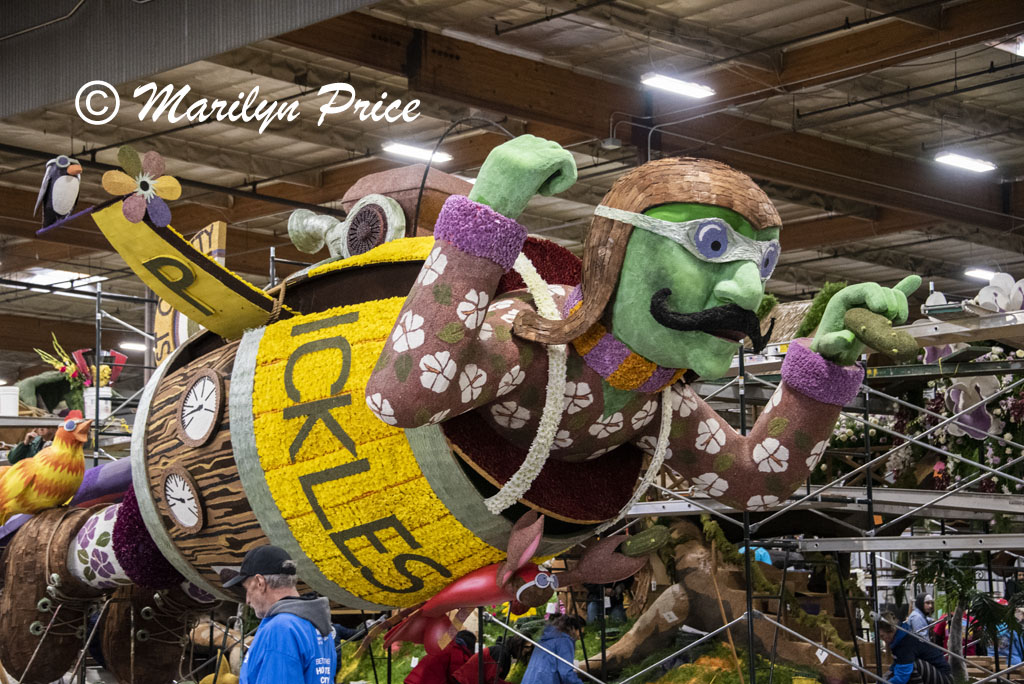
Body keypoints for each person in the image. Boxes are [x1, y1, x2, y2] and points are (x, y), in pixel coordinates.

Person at [223, 545, 336, 684]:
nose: (247, 600)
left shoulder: (281, 628)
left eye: (247, 589)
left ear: (260, 582)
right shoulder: (318, 624)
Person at [879, 612, 952, 684]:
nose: (882, 639)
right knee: (903, 667)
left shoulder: (905, 643)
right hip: (937, 674)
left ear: (891, 631)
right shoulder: (902, 638)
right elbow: (897, 664)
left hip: (944, 678)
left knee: (911, 666)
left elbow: (902, 677)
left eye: (882, 636)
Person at [521, 614, 586, 684]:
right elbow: (566, 673)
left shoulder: (545, 639)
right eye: (581, 634)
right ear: (573, 629)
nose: (579, 638)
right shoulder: (564, 641)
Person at [405, 630, 476, 684]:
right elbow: (456, 677)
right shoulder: (457, 652)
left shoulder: (445, 647)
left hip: (414, 680)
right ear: (470, 646)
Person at [453, 636, 524, 684]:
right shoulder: (499, 652)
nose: (526, 652)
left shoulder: (502, 652)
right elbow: (492, 679)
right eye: (526, 648)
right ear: (518, 646)